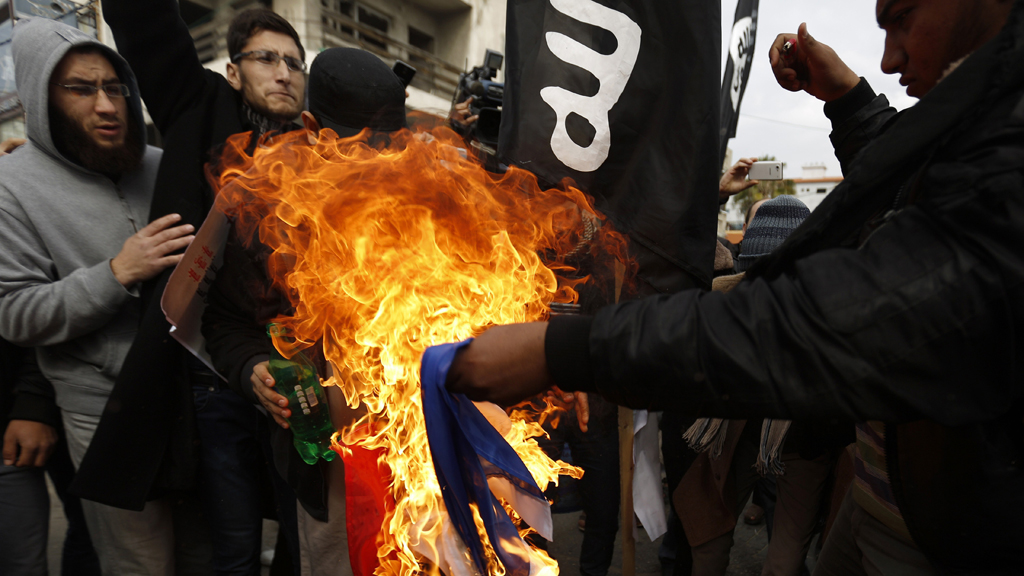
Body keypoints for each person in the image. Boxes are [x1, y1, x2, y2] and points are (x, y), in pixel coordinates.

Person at [446, 0, 1024, 572]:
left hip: (952, 533)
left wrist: (562, 351)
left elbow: (816, 328)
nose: (890, 57)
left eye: (902, 18)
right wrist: (850, 103)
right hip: (886, 494)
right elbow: (902, 190)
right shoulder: (979, 119)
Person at [75, 3, 309, 574]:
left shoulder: (323, 149)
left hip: (295, 380)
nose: (283, 73)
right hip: (211, 379)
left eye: (295, 63)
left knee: (303, 538)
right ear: (233, 72)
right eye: (266, 58)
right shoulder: (199, 105)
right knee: (233, 545)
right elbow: (147, 24)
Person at [0, 17, 209, 574]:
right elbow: (15, 314)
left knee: (207, 556)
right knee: (139, 564)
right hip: (104, 415)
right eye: (81, 89)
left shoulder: (160, 164)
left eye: (115, 87)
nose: (107, 105)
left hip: (193, 398)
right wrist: (116, 271)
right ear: (41, 97)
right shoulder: (11, 187)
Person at [202, 46, 409, 576]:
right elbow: (224, 321)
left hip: (420, 460)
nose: (377, 164)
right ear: (315, 128)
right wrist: (253, 370)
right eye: (360, 147)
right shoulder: (267, 210)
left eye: (388, 148)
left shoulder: (425, 203)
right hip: (328, 471)